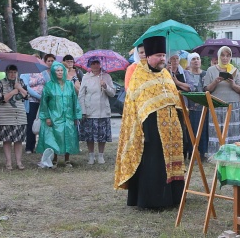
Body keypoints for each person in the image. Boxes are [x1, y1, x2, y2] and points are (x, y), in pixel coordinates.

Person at [114, 35, 184, 209]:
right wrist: (146, 129)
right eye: (159, 55)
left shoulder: (166, 74)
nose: (162, 59)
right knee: (153, 163)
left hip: (171, 127)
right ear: (149, 56)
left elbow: (173, 98)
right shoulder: (139, 75)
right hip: (149, 129)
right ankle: (153, 201)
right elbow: (136, 105)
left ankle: (173, 198)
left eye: (163, 55)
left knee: (170, 160)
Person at [37, 61, 82, 167]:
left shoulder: (69, 85)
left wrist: (76, 116)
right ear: (53, 72)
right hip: (54, 116)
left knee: (68, 137)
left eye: (62, 70)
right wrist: (46, 117)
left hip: (68, 116)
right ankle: (55, 159)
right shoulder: (49, 86)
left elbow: (75, 100)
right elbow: (44, 103)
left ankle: (67, 159)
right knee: (55, 137)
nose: (60, 72)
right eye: (57, 70)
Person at [204, 46, 240, 155]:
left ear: (230, 57)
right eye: (222, 55)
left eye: (228, 55)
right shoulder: (211, 70)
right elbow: (206, 89)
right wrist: (215, 82)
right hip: (216, 104)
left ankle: (233, 154)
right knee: (217, 130)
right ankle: (217, 154)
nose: (225, 58)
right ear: (218, 56)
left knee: (232, 130)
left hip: (233, 105)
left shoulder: (234, 70)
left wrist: (232, 84)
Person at [79, 57, 115, 165]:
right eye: (92, 63)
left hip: (103, 110)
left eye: (97, 63)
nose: (95, 65)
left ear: (100, 64)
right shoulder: (86, 77)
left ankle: (100, 155)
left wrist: (105, 86)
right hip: (90, 110)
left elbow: (112, 93)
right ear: (89, 65)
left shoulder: (106, 76)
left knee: (102, 135)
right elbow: (81, 94)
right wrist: (83, 110)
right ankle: (91, 155)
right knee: (90, 135)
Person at [0, 64, 28, 170]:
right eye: (10, 72)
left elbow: (26, 96)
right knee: (7, 140)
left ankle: (19, 162)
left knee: (19, 140)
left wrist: (19, 88)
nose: (12, 74)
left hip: (20, 114)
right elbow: (1, 99)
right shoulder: (0, 83)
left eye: (14, 72)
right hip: (6, 115)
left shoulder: (21, 82)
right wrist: (13, 92)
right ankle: (8, 162)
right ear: (6, 72)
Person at [181, 52, 208, 159]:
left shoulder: (205, 73)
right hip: (190, 107)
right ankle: (191, 153)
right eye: (193, 59)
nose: (196, 61)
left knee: (203, 131)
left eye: (198, 58)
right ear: (189, 62)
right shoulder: (185, 74)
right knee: (191, 130)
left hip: (203, 107)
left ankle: (202, 153)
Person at [25, 53, 53, 153]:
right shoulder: (26, 72)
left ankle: (42, 145)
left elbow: (49, 83)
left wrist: (45, 97)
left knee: (44, 122)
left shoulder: (44, 72)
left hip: (44, 101)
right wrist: (38, 96)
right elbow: (26, 86)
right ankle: (29, 147)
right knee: (31, 123)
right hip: (32, 101)